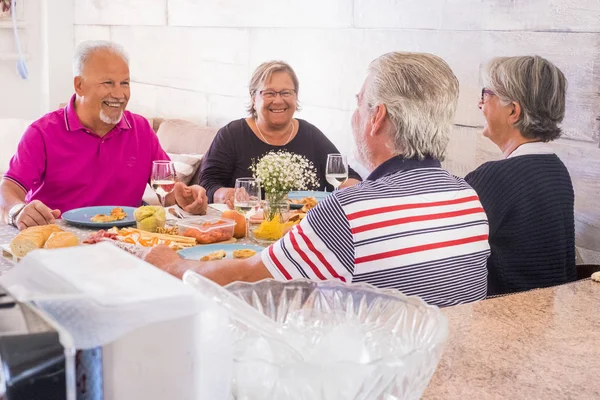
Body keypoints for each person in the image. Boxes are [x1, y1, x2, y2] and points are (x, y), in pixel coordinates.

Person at [145, 52, 491, 308]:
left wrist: (174, 265)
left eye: (359, 104)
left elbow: (249, 277)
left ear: (377, 117)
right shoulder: (467, 196)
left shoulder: (350, 212)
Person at [0, 40, 208, 230]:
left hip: (125, 242)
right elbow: (8, 190)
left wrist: (183, 196)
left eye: (124, 83)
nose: (119, 94)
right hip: (58, 240)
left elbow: (167, 192)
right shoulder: (42, 132)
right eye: (108, 83)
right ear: (79, 85)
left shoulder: (141, 130)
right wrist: (17, 211)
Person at [465, 56, 576, 295]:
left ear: (513, 111)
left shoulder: (495, 178)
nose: (479, 104)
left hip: (505, 321)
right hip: (546, 318)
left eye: (486, 95)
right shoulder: (557, 170)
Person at [199, 60, 362, 207]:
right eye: (269, 93)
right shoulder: (232, 134)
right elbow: (208, 183)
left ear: (295, 97)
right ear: (254, 98)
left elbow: (346, 175)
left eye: (286, 93)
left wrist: (351, 189)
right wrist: (225, 194)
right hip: (249, 227)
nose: (278, 101)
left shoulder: (311, 135)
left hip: (306, 228)